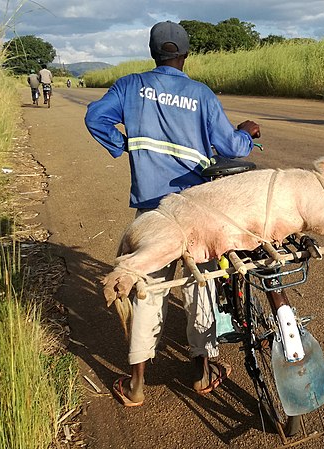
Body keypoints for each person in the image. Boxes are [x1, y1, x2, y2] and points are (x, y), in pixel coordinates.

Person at [84, 21, 261, 407]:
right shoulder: (200, 94)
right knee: (202, 287)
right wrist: (247, 132)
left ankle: (135, 386)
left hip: (153, 211)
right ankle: (201, 373)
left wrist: (125, 144)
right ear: (184, 55)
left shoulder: (130, 86)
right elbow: (232, 146)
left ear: (154, 53)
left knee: (149, 292)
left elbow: (95, 118)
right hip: (198, 209)